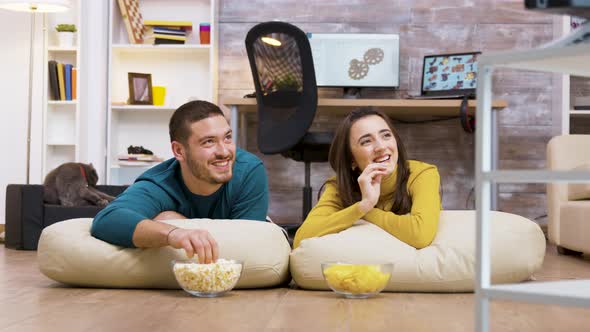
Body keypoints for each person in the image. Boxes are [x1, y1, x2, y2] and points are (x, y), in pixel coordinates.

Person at [92, 100, 269, 263]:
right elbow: (106, 220)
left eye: (227, 137)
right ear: (179, 151)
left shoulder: (248, 170)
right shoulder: (158, 183)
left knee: (166, 218)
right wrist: (173, 233)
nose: (224, 151)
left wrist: (173, 222)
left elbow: (249, 243)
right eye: (209, 142)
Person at [293, 107, 441, 249]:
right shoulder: (338, 186)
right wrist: (363, 205)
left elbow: (420, 235)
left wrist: (367, 211)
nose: (381, 147)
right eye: (366, 141)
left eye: (386, 135)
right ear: (351, 159)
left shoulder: (422, 173)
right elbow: (302, 238)